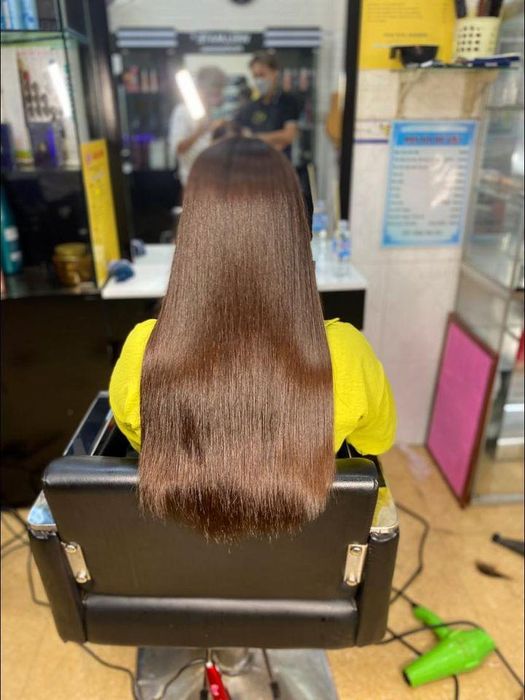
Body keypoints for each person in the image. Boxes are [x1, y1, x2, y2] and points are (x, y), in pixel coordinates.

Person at [109, 137, 396, 542]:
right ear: (298, 240)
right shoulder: (348, 353)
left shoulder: (144, 352)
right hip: (303, 555)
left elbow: (140, 444)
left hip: (181, 557)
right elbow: (373, 442)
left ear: (191, 237)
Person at [168, 66, 227, 187]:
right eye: (214, 91)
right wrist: (199, 131)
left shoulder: (212, 112)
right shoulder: (183, 111)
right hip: (193, 182)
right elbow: (179, 149)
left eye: (219, 91)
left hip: (216, 180)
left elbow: (207, 146)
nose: (217, 95)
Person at [235, 51, 299, 160]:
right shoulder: (249, 107)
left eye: (262, 75)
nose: (259, 80)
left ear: (274, 73)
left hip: (279, 164)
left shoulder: (288, 102)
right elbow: (239, 134)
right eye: (255, 76)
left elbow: (288, 135)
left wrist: (256, 138)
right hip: (253, 163)